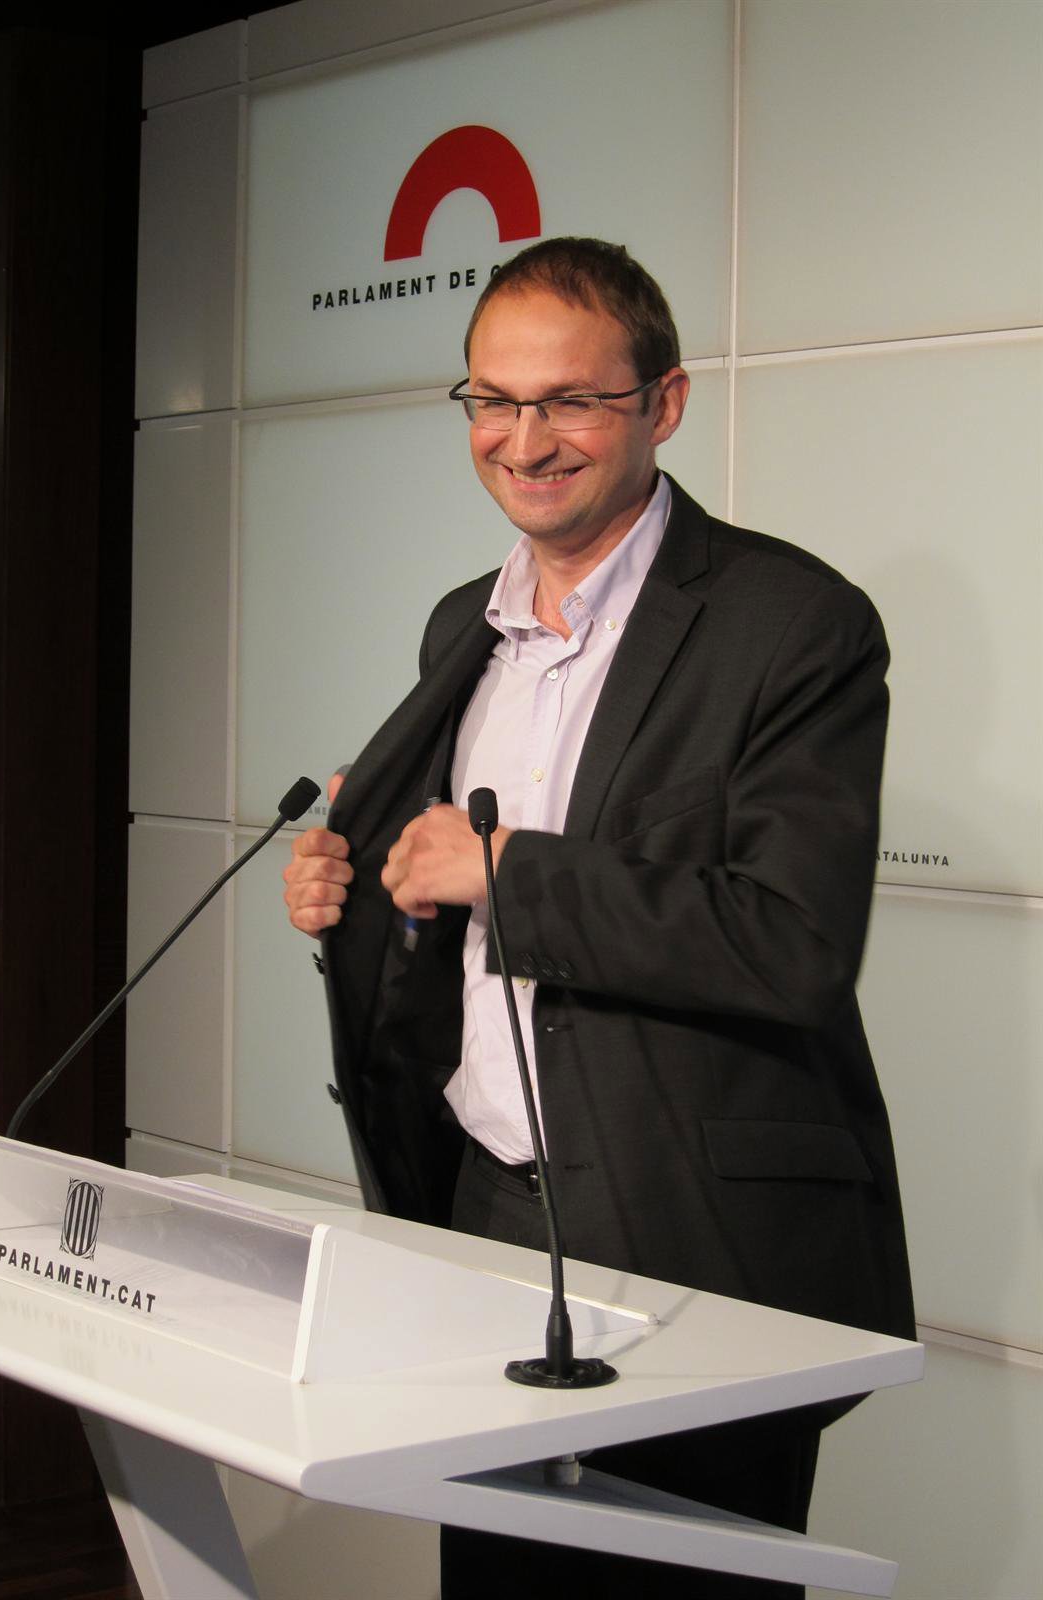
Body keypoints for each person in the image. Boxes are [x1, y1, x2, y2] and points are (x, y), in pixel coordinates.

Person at [283, 237, 913, 1599]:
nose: (525, 441)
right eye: (493, 401)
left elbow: (792, 943)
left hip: (691, 1235)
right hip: (479, 1209)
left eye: (570, 400)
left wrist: (504, 872)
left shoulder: (794, 622)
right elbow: (451, 913)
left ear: (663, 403)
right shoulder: (462, 625)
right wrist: (365, 896)